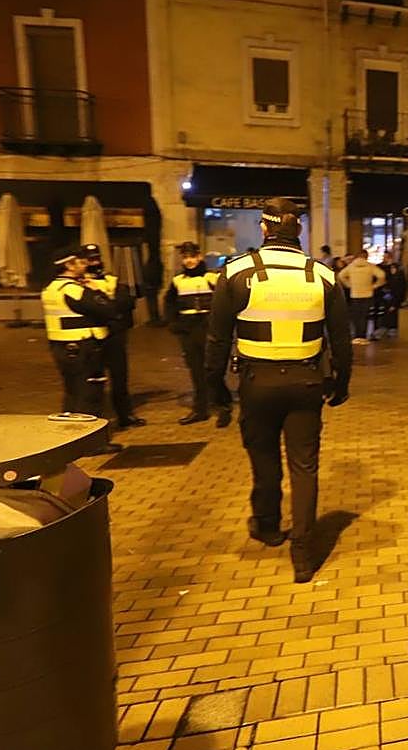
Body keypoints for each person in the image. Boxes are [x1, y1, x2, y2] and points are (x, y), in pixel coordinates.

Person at [205, 199, 353, 579]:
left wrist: (216, 389)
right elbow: (341, 339)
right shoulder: (323, 275)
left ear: (265, 229)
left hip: (257, 382)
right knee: (304, 467)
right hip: (306, 381)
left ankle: (269, 525)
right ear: (299, 232)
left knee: (265, 459)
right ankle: (302, 553)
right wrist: (341, 382)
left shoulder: (237, 271)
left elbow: (217, 339)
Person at [41, 247, 117, 418]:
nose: (85, 266)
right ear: (69, 265)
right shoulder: (73, 290)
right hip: (83, 347)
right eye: (81, 262)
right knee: (89, 393)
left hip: (60, 347)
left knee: (72, 391)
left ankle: (70, 435)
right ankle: (92, 442)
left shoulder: (50, 288)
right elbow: (109, 310)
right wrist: (96, 290)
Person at [164, 241, 233, 427]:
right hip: (188, 330)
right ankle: (200, 409)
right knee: (196, 371)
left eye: (192, 257)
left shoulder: (212, 278)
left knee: (213, 370)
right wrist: (174, 323)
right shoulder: (177, 281)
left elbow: (225, 301)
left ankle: (223, 405)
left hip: (209, 329)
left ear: (199, 256)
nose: (189, 261)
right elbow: (169, 303)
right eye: (186, 257)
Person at [82, 244, 145, 429]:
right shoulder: (79, 283)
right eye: (90, 259)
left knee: (120, 378)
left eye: (96, 258)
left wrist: (106, 305)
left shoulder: (111, 279)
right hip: (93, 337)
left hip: (115, 335)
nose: (94, 262)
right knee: (94, 381)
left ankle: (125, 415)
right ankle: (95, 420)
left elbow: (125, 302)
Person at [338, 249, 385, 344]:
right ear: (366, 256)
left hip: (355, 294)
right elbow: (381, 275)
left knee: (356, 317)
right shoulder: (370, 266)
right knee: (364, 316)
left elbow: (341, 275)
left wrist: (349, 285)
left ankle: (356, 336)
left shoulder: (351, 266)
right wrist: (375, 285)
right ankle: (363, 336)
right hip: (367, 294)